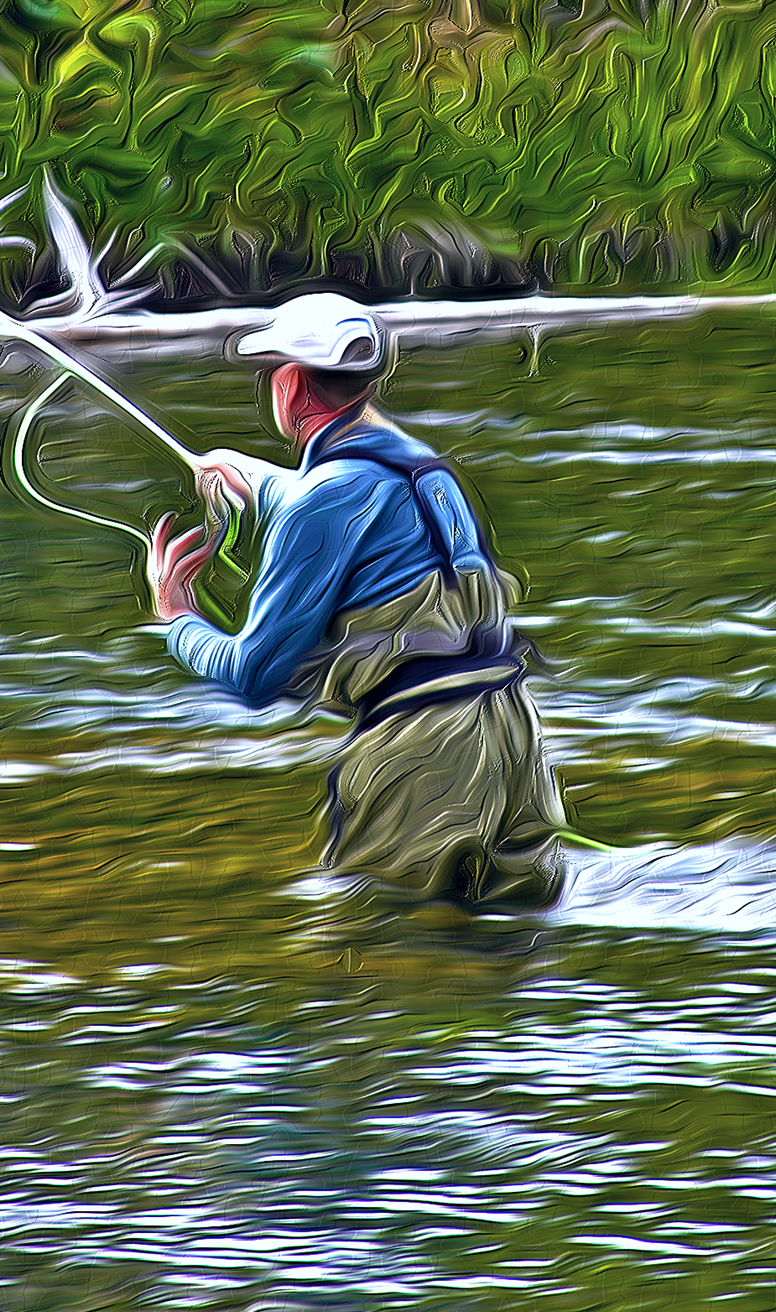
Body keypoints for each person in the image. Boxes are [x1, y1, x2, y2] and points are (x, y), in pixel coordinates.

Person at [145, 292, 568, 910]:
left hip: (422, 757)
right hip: (513, 738)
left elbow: (255, 674)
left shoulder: (321, 500)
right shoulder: (427, 472)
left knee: (372, 943)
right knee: (515, 938)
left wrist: (178, 616)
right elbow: (350, 504)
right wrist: (253, 477)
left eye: (272, 372)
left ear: (291, 386)